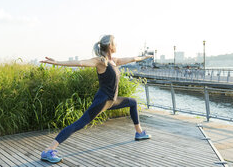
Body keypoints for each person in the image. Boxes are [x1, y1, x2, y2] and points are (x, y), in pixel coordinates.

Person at [39, 35, 153, 163]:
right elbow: (80, 62)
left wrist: (144, 57)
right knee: (79, 124)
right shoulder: (101, 61)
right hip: (102, 101)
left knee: (133, 102)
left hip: (111, 101)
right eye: (115, 43)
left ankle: (139, 132)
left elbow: (133, 58)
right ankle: (48, 150)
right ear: (110, 45)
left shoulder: (114, 61)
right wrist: (57, 62)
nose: (117, 45)